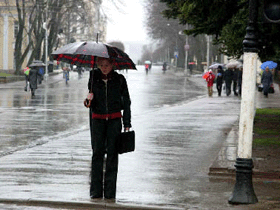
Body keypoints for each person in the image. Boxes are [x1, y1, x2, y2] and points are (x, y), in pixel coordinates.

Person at [84, 57, 132, 200]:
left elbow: (127, 101)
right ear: (97, 65)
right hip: (97, 120)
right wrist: (88, 100)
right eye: (101, 65)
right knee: (97, 154)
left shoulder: (120, 79)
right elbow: (89, 103)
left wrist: (127, 122)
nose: (104, 68)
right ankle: (95, 192)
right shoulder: (93, 78)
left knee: (112, 155)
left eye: (107, 65)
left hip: (114, 121)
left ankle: (110, 193)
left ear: (113, 65)